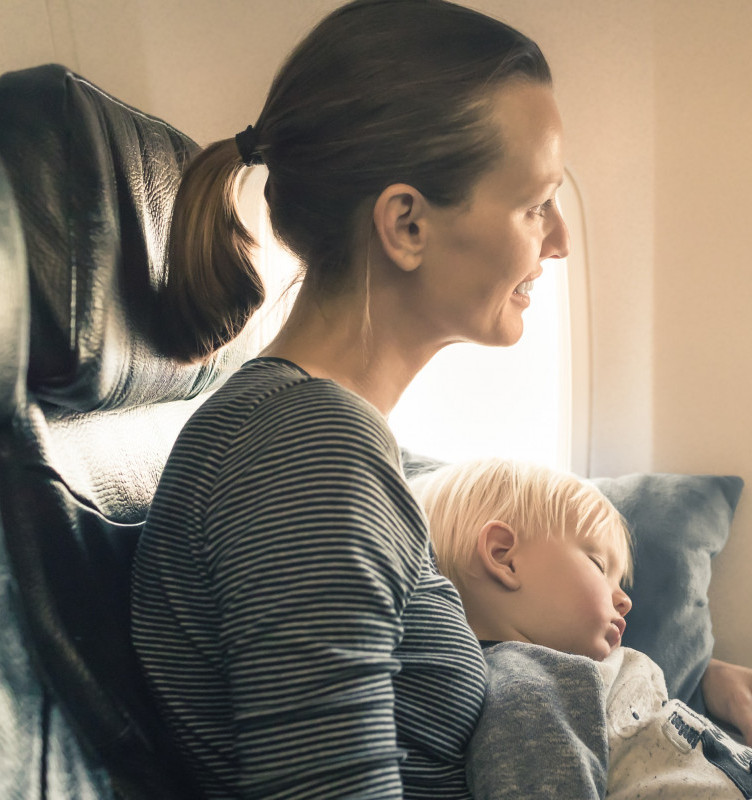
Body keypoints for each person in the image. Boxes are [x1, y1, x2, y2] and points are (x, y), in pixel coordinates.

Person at [130, 0, 752, 797]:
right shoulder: (305, 457)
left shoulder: (335, 442)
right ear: (407, 226)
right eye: (535, 204)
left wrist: (696, 689)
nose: (558, 238)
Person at [411, 458, 752, 799]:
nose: (625, 600)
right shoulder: (525, 684)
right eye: (599, 565)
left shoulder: (572, 672)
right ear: (504, 557)